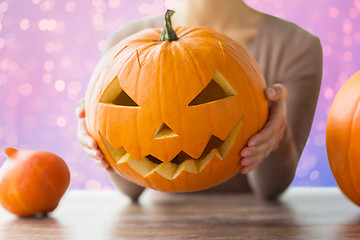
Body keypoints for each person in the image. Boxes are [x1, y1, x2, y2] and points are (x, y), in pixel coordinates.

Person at [76, 0, 323, 201]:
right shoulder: (125, 43)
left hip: (250, 226)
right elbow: (131, 189)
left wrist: (275, 136)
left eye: (203, 98)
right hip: (158, 228)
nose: (166, 132)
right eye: (129, 101)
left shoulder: (298, 46)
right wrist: (98, 131)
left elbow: (272, 188)